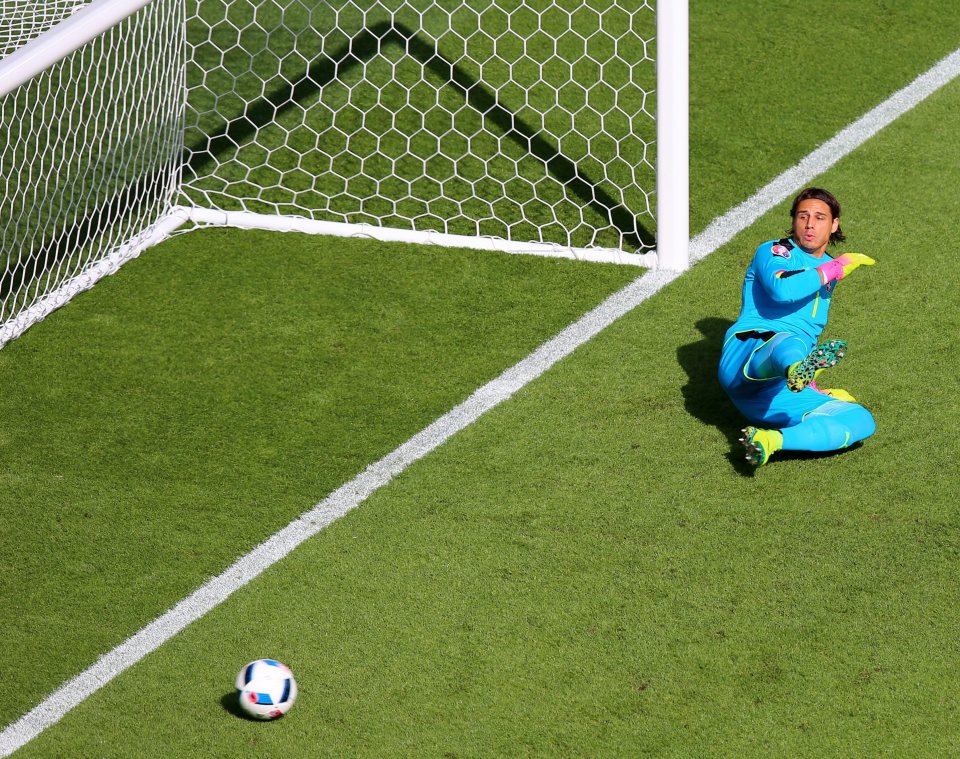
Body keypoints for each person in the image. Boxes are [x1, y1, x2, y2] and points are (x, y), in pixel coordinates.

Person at [717, 187, 876, 466]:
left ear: (834, 224)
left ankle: (770, 440)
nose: (810, 224)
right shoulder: (775, 251)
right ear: (793, 221)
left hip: (771, 395)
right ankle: (796, 370)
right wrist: (834, 269)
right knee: (791, 340)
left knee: (860, 419)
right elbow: (782, 290)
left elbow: (809, 327)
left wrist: (812, 388)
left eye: (819, 217)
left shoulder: (828, 266)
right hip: (747, 356)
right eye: (803, 216)